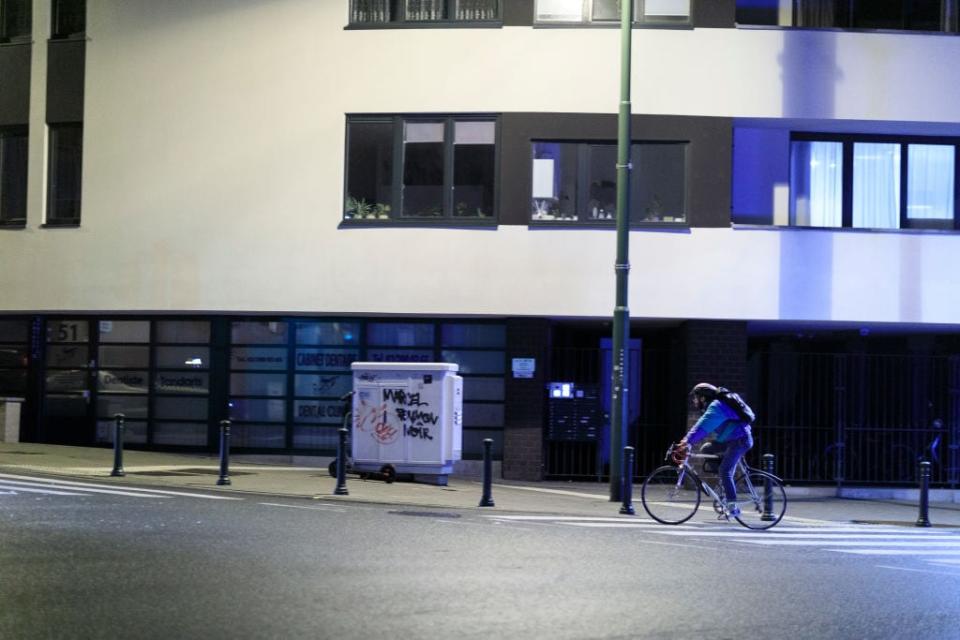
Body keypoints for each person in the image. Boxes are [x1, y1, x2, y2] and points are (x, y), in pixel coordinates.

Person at [674, 382, 753, 518]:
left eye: (695, 398)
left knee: (725, 471)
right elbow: (702, 427)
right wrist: (688, 442)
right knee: (707, 448)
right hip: (729, 440)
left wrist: (686, 441)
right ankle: (724, 484)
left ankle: (733, 507)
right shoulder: (714, 406)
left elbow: (702, 427)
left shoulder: (717, 407)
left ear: (703, 398)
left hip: (740, 441)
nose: (694, 401)